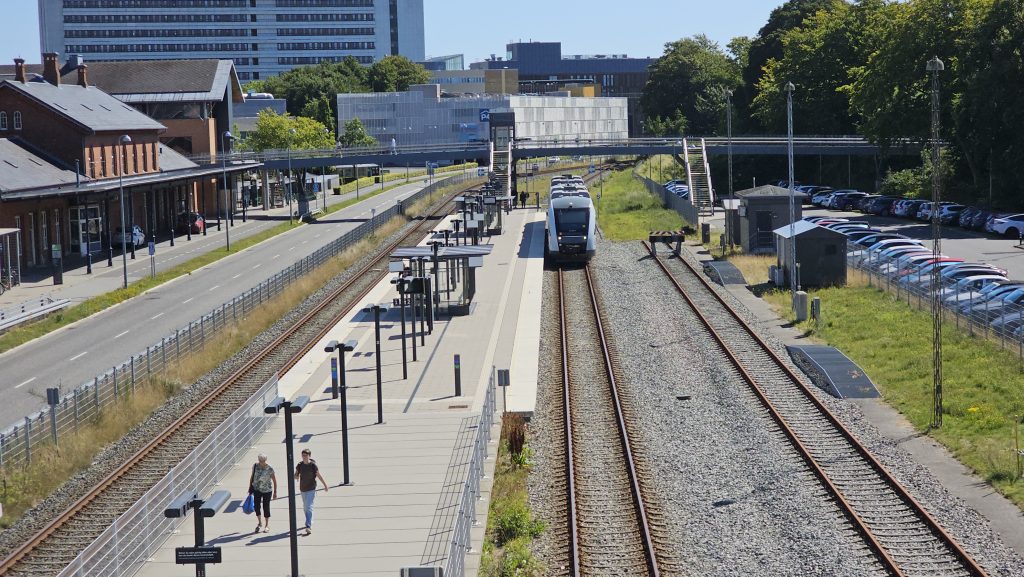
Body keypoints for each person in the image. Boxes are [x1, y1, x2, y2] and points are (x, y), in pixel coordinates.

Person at [294, 449, 328, 536]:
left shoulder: (313, 465)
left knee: (309, 506)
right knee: (305, 507)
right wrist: (296, 476)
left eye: (306, 455)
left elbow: (318, 475)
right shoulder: (300, 465)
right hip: (303, 488)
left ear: (309, 456)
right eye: (303, 455)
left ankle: (308, 526)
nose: (304, 457)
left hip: (311, 488)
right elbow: (296, 474)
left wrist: (325, 485)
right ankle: (309, 520)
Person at [248, 454, 278, 533]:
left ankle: (267, 525)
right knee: (257, 506)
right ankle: (260, 523)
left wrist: (275, 492)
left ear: (265, 460)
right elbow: (252, 477)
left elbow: (274, 480)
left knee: (266, 507)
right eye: (260, 460)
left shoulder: (270, 468)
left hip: (267, 490)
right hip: (257, 489)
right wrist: (250, 488)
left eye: (263, 461)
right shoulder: (255, 466)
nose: (261, 462)